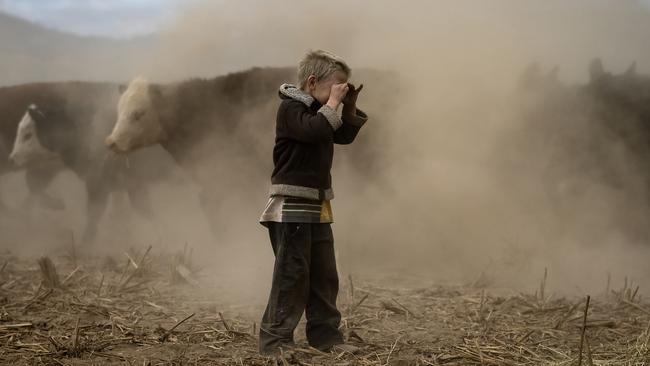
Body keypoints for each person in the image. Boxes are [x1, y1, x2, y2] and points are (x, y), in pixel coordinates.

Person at [258, 50, 368, 355]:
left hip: (318, 206)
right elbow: (316, 129)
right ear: (312, 82)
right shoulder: (291, 109)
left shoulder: (322, 113)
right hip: (291, 204)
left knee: (323, 276)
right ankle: (275, 342)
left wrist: (348, 105)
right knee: (292, 275)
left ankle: (326, 337)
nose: (341, 92)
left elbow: (342, 135)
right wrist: (332, 104)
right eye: (337, 86)